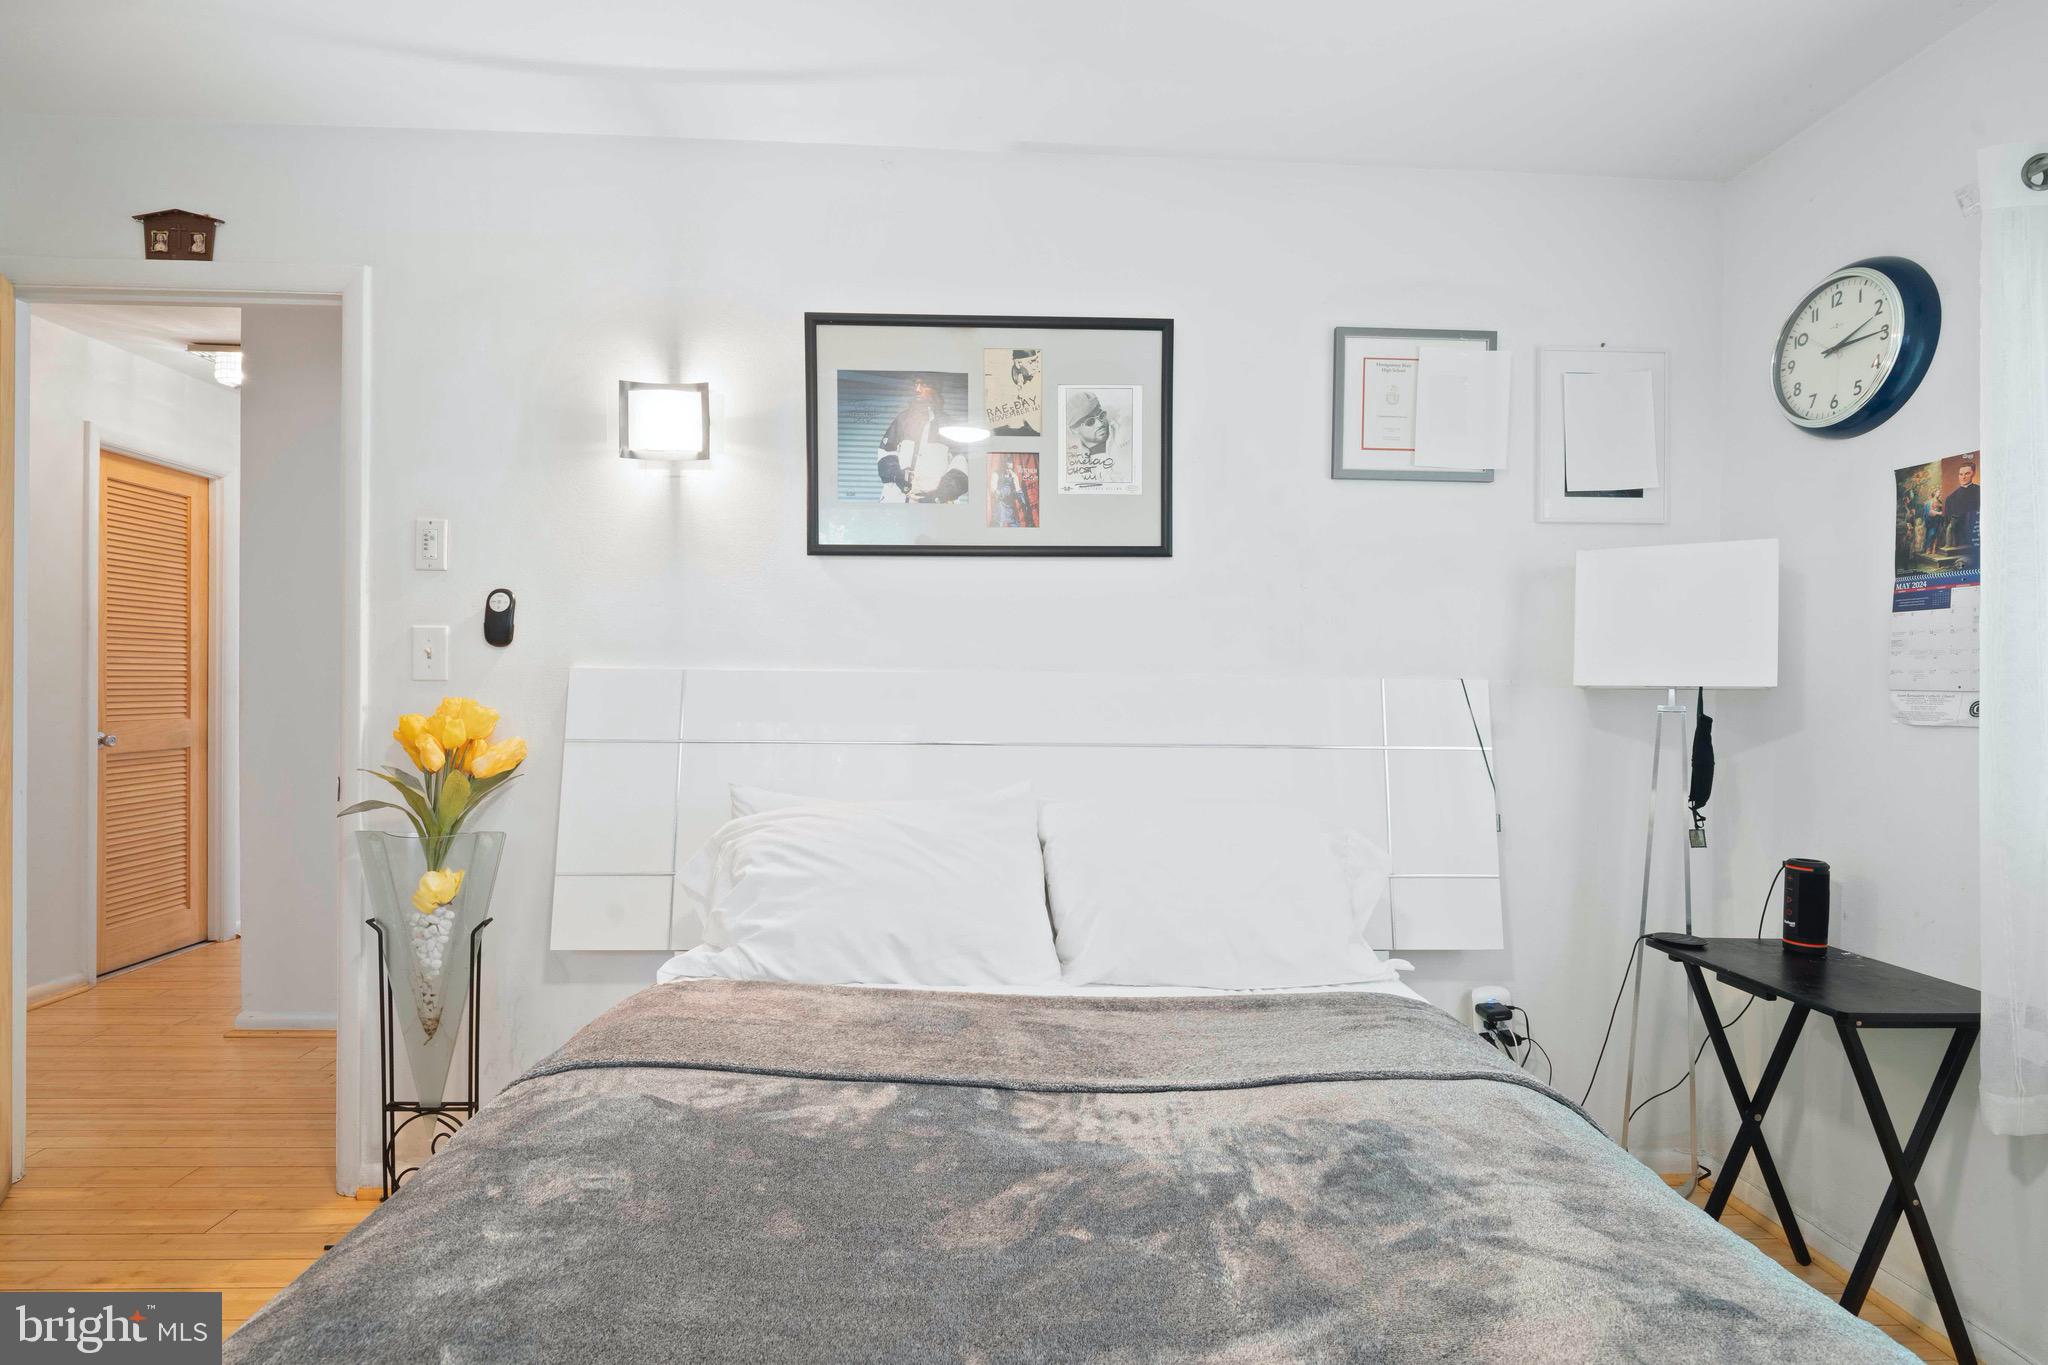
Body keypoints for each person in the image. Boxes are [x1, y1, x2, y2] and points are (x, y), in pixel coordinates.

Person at [875, 374, 968, 503]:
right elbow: (885, 453)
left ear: (935, 388)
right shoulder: (903, 419)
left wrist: (939, 495)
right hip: (896, 500)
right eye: (916, 384)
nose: (917, 389)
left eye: (923, 385)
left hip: (935, 508)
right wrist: (898, 477)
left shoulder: (949, 425)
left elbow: (961, 466)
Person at [1944, 458, 1981, 569]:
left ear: (1973, 473)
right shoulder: (1950, 498)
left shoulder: (1981, 491)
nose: (1963, 477)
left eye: (1967, 473)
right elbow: (1947, 521)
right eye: (1960, 474)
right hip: (1959, 542)